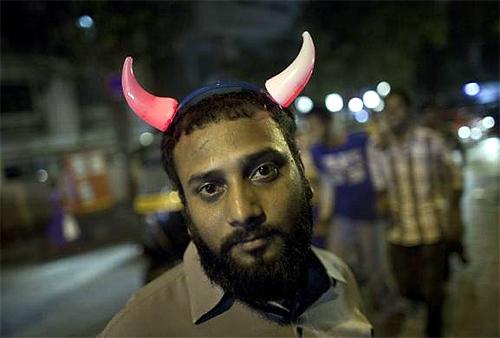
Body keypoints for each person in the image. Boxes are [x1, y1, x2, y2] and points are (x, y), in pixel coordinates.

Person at [99, 32, 372, 337]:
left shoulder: (339, 279)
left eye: (264, 171)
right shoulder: (140, 329)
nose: (243, 211)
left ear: (302, 173)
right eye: (210, 189)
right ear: (187, 212)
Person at [370, 89, 465, 337]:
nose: (393, 114)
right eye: (389, 109)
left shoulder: (429, 140)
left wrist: (454, 212)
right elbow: (380, 187)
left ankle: (435, 328)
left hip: (431, 225)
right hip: (399, 231)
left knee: (432, 288)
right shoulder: (378, 146)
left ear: (409, 111)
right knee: (407, 287)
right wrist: (381, 202)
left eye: (398, 107)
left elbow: (454, 174)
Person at [308, 108, 393, 312]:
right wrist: (326, 215)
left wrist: (383, 197)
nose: (312, 130)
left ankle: (387, 303)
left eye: (315, 125)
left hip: (368, 213)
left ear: (328, 123)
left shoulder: (360, 141)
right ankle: (344, 307)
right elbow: (328, 184)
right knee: (336, 262)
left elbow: (379, 168)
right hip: (341, 215)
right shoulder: (317, 152)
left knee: (376, 264)